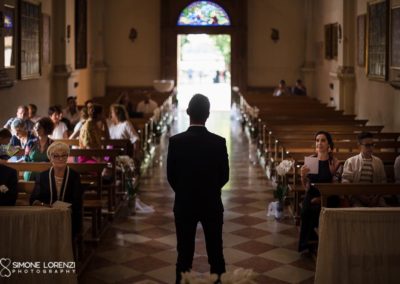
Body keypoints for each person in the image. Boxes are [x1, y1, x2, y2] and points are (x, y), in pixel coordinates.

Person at [167, 94, 229, 284]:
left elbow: (171, 176)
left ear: (187, 112)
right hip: (211, 203)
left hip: (185, 204)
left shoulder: (176, 142)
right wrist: (209, 189)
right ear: (208, 114)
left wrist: (185, 190)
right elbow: (224, 176)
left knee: (184, 256)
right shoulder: (219, 142)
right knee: (216, 255)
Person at [298, 131, 341, 253]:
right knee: (305, 211)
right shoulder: (311, 160)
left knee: (317, 210)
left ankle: (319, 241)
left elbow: (336, 186)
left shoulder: (334, 162)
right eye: (317, 140)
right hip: (312, 193)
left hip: (329, 195)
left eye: (323, 140)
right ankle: (306, 244)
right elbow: (306, 187)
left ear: (329, 144)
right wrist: (302, 176)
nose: (319, 143)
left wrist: (332, 174)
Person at [30, 142, 83, 237]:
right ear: (50, 158)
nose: (61, 158)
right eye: (56, 156)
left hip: (68, 217)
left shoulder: (74, 176)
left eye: (64, 155)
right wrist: (44, 205)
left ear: (67, 156)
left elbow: (77, 201)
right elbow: (34, 199)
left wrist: (66, 208)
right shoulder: (42, 176)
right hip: (46, 217)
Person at [342, 132, 387, 206]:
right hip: (356, 196)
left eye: (372, 145)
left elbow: (383, 182)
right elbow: (346, 182)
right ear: (359, 146)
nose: (371, 148)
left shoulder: (378, 162)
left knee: (384, 209)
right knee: (358, 210)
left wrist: (376, 197)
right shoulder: (350, 161)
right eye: (367, 145)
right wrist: (360, 196)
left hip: (375, 196)